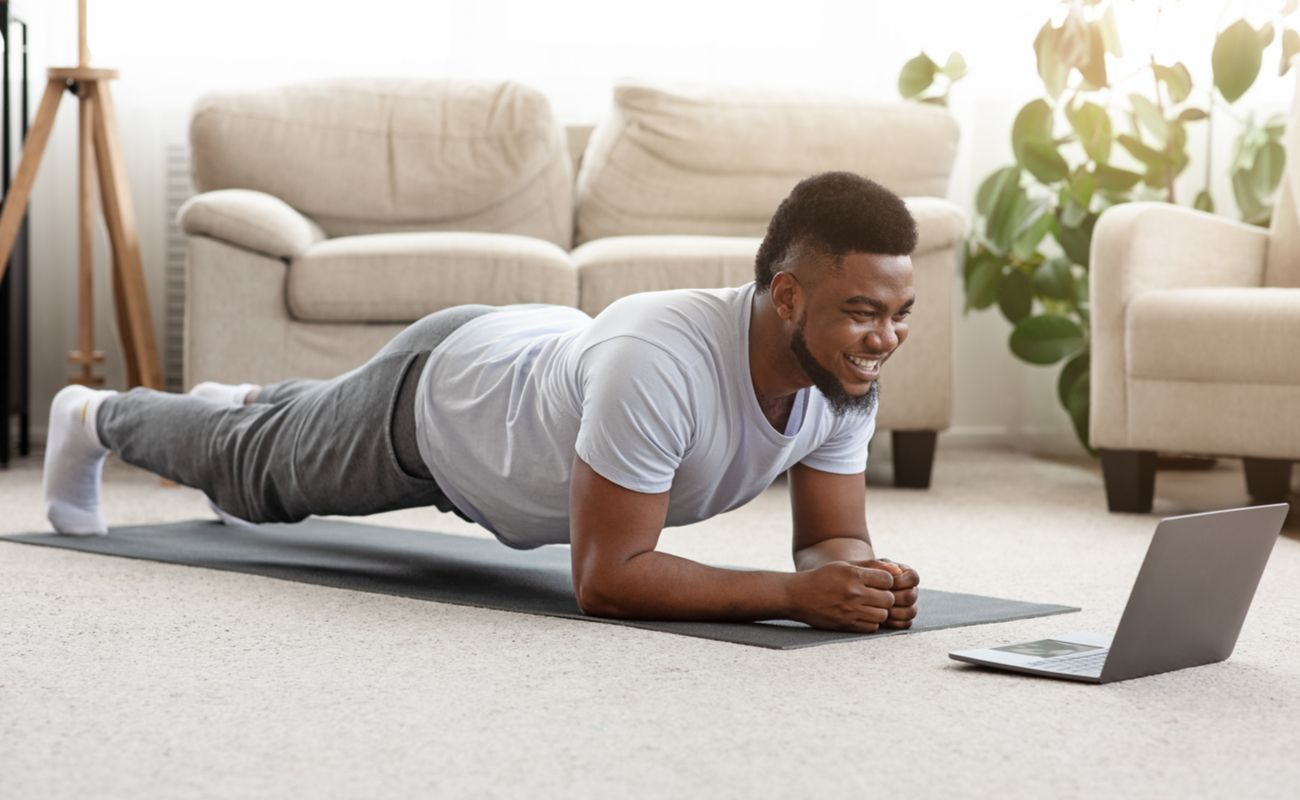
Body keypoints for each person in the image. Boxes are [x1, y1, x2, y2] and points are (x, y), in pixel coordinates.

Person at [42, 171, 921, 633]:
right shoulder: (661, 359)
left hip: (524, 367)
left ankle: (253, 400)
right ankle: (92, 417)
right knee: (252, 479)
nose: (883, 338)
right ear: (787, 297)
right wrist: (794, 597)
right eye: (862, 311)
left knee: (283, 426)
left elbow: (828, 539)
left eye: (898, 316)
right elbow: (607, 579)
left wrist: (859, 580)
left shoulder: (840, 374)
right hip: (441, 408)